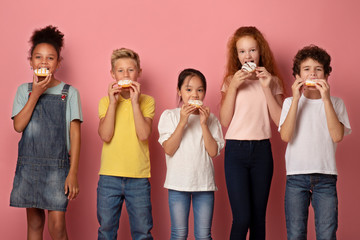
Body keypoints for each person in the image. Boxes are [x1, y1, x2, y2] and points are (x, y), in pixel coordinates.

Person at [10, 25, 82, 240]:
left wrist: (73, 173)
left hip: (57, 168)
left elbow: (75, 135)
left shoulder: (69, 93)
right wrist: (36, 93)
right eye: (38, 57)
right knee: (34, 224)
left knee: (57, 226)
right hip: (29, 166)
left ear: (58, 63)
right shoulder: (24, 90)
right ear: (30, 61)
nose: (43, 62)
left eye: (50, 58)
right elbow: (18, 126)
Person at [279, 45, 351, 240]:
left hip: (326, 178)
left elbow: (337, 136)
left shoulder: (336, 103)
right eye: (306, 69)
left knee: (327, 234)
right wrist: (295, 99)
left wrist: (326, 100)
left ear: (327, 75)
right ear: (297, 75)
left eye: (318, 69)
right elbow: (285, 136)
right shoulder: (288, 103)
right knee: (295, 234)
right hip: (295, 177)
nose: (312, 73)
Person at [219, 26, 285, 240]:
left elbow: (279, 121)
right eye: (242, 51)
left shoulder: (272, 80)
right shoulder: (230, 81)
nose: (248, 55)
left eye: (252, 50)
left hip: (262, 151)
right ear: (236, 56)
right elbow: (225, 120)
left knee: (258, 218)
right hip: (235, 152)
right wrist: (234, 87)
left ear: (260, 52)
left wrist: (266, 86)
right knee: (242, 217)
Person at [158, 68, 224, 240]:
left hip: (204, 185)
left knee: (204, 235)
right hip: (178, 184)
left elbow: (213, 152)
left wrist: (203, 124)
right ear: (179, 91)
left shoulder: (211, 119)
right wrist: (182, 122)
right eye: (188, 89)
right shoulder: (169, 116)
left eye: (200, 89)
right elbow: (169, 149)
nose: (195, 94)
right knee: (179, 234)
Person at [97, 48, 155, 240]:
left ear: (139, 72)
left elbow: (143, 134)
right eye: (120, 71)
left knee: (142, 233)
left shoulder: (147, 101)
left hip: (138, 177)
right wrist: (113, 104)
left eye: (130, 70)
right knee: (106, 231)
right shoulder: (105, 102)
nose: (126, 75)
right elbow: (105, 136)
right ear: (113, 74)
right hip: (109, 177)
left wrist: (135, 103)